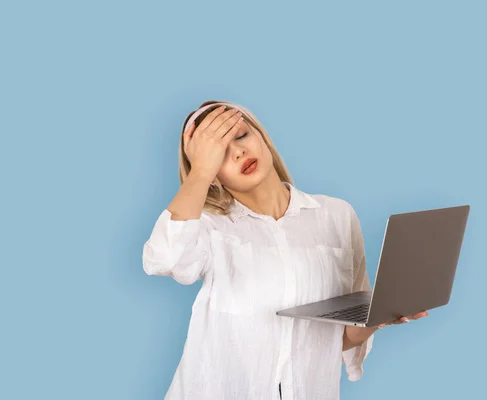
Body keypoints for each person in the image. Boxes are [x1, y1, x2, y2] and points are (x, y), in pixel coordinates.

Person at [142, 100, 427, 399]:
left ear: (262, 137)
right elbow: (165, 259)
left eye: (240, 136)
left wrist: (380, 315)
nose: (238, 152)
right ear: (212, 174)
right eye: (218, 154)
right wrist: (199, 171)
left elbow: (338, 337)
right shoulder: (207, 226)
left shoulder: (336, 215)